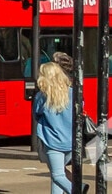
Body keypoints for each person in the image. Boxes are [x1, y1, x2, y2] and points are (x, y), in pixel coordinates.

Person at [35, 60, 74, 194]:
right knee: (58, 173)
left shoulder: (42, 96)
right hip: (71, 141)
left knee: (57, 176)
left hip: (53, 142)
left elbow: (37, 113)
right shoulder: (73, 93)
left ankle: (78, 189)